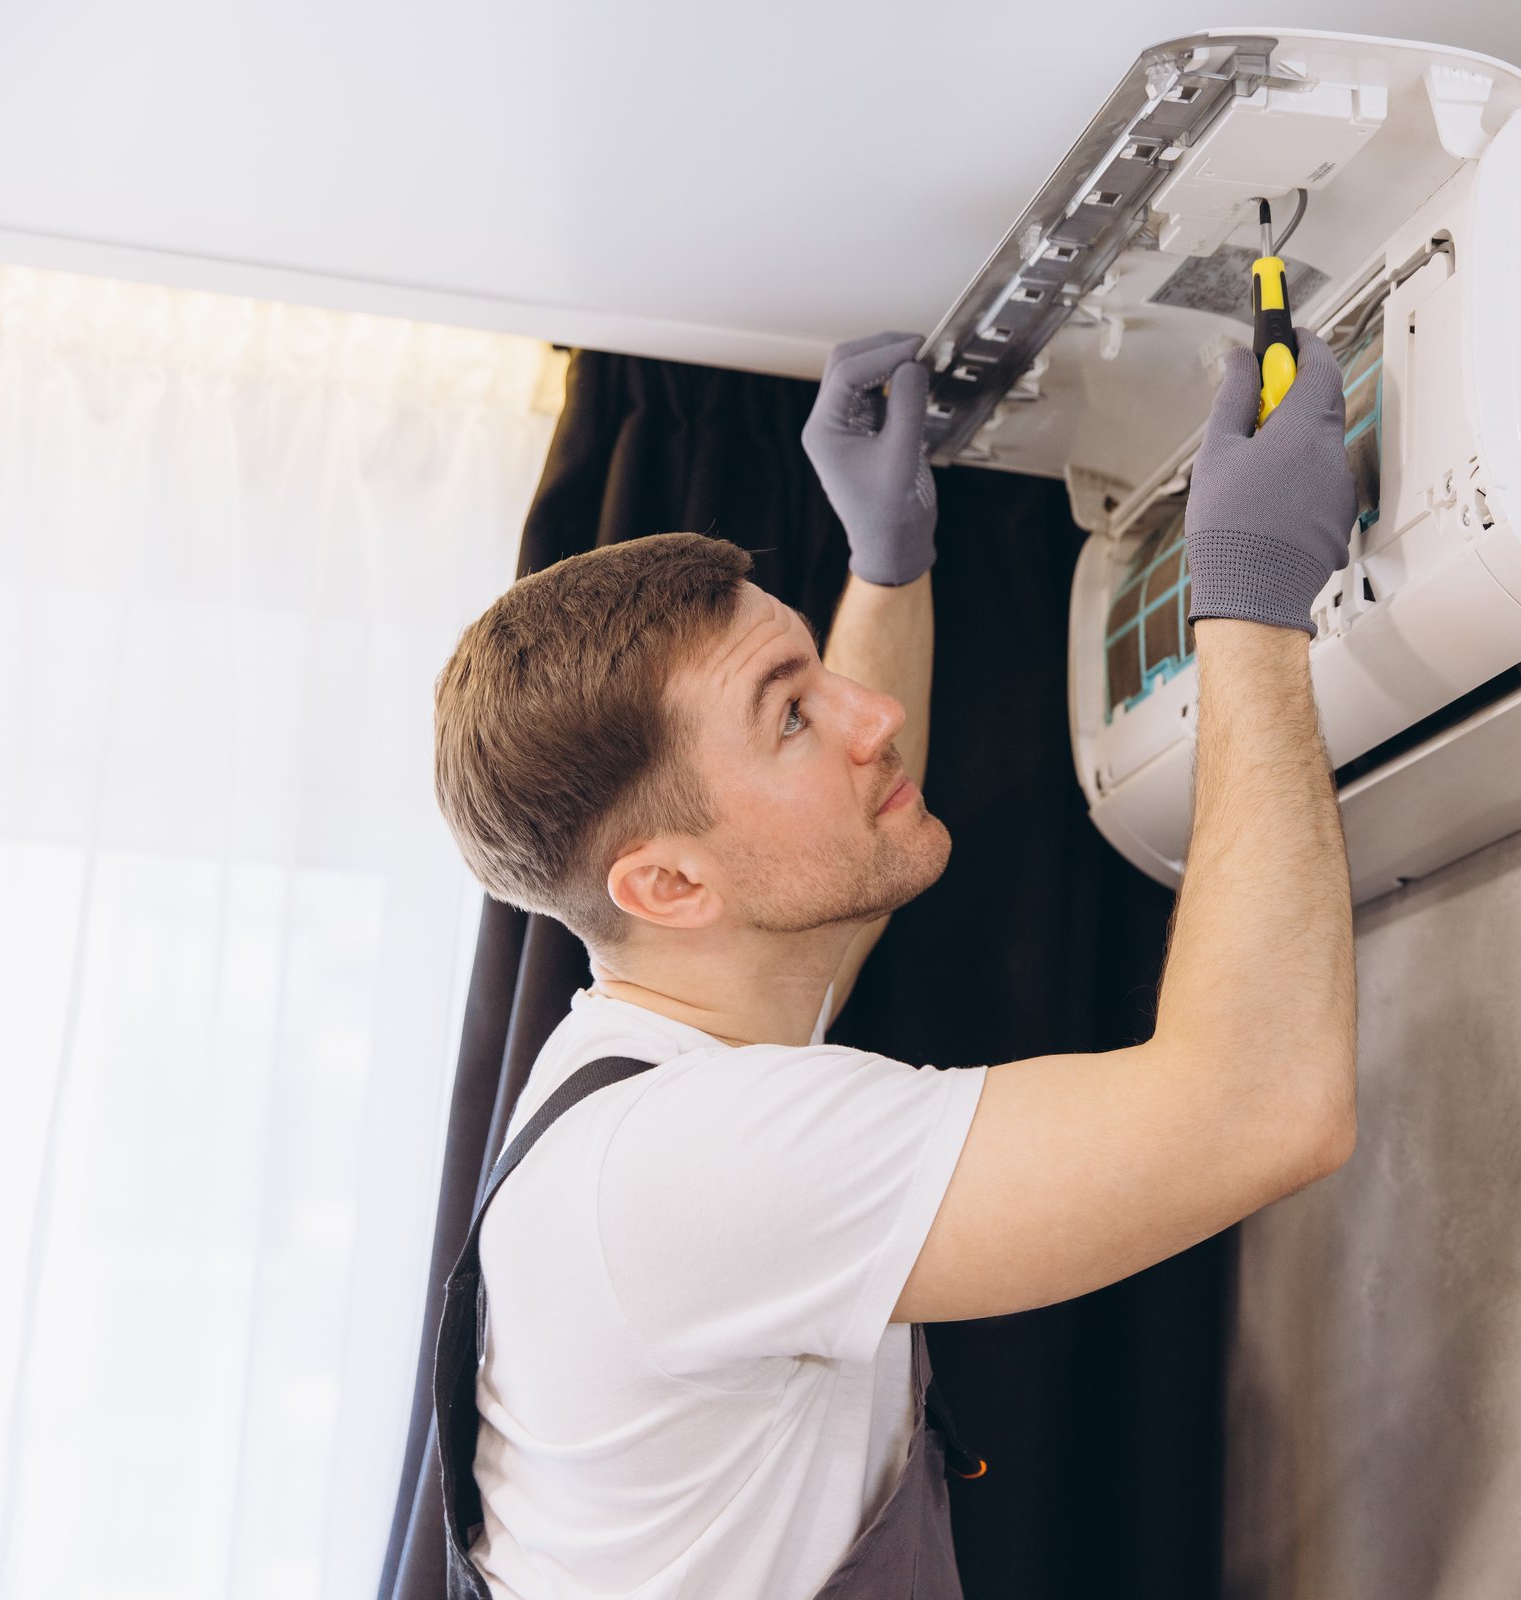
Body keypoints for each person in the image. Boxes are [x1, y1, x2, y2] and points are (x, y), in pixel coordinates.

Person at [426, 328, 1362, 1599]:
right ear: (669, 884)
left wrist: (889, 566)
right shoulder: (690, 1164)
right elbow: (1262, 1106)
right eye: (793, 714)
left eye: (814, 671)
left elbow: (821, 899)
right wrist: (1250, 600)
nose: (875, 722)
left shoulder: (651, 1049)